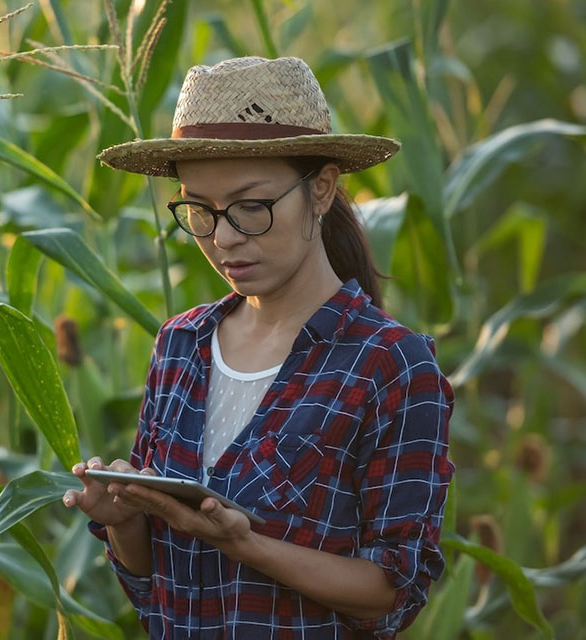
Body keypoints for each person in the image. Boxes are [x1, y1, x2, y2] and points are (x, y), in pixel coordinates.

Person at [60, 56, 456, 639]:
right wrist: (123, 523)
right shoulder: (179, 345)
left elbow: (391, 591)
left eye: (251, 207)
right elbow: (155, 589)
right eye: (200, 209)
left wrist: (247, 545)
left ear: (321, 188)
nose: (223, 238)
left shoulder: (388, 364)